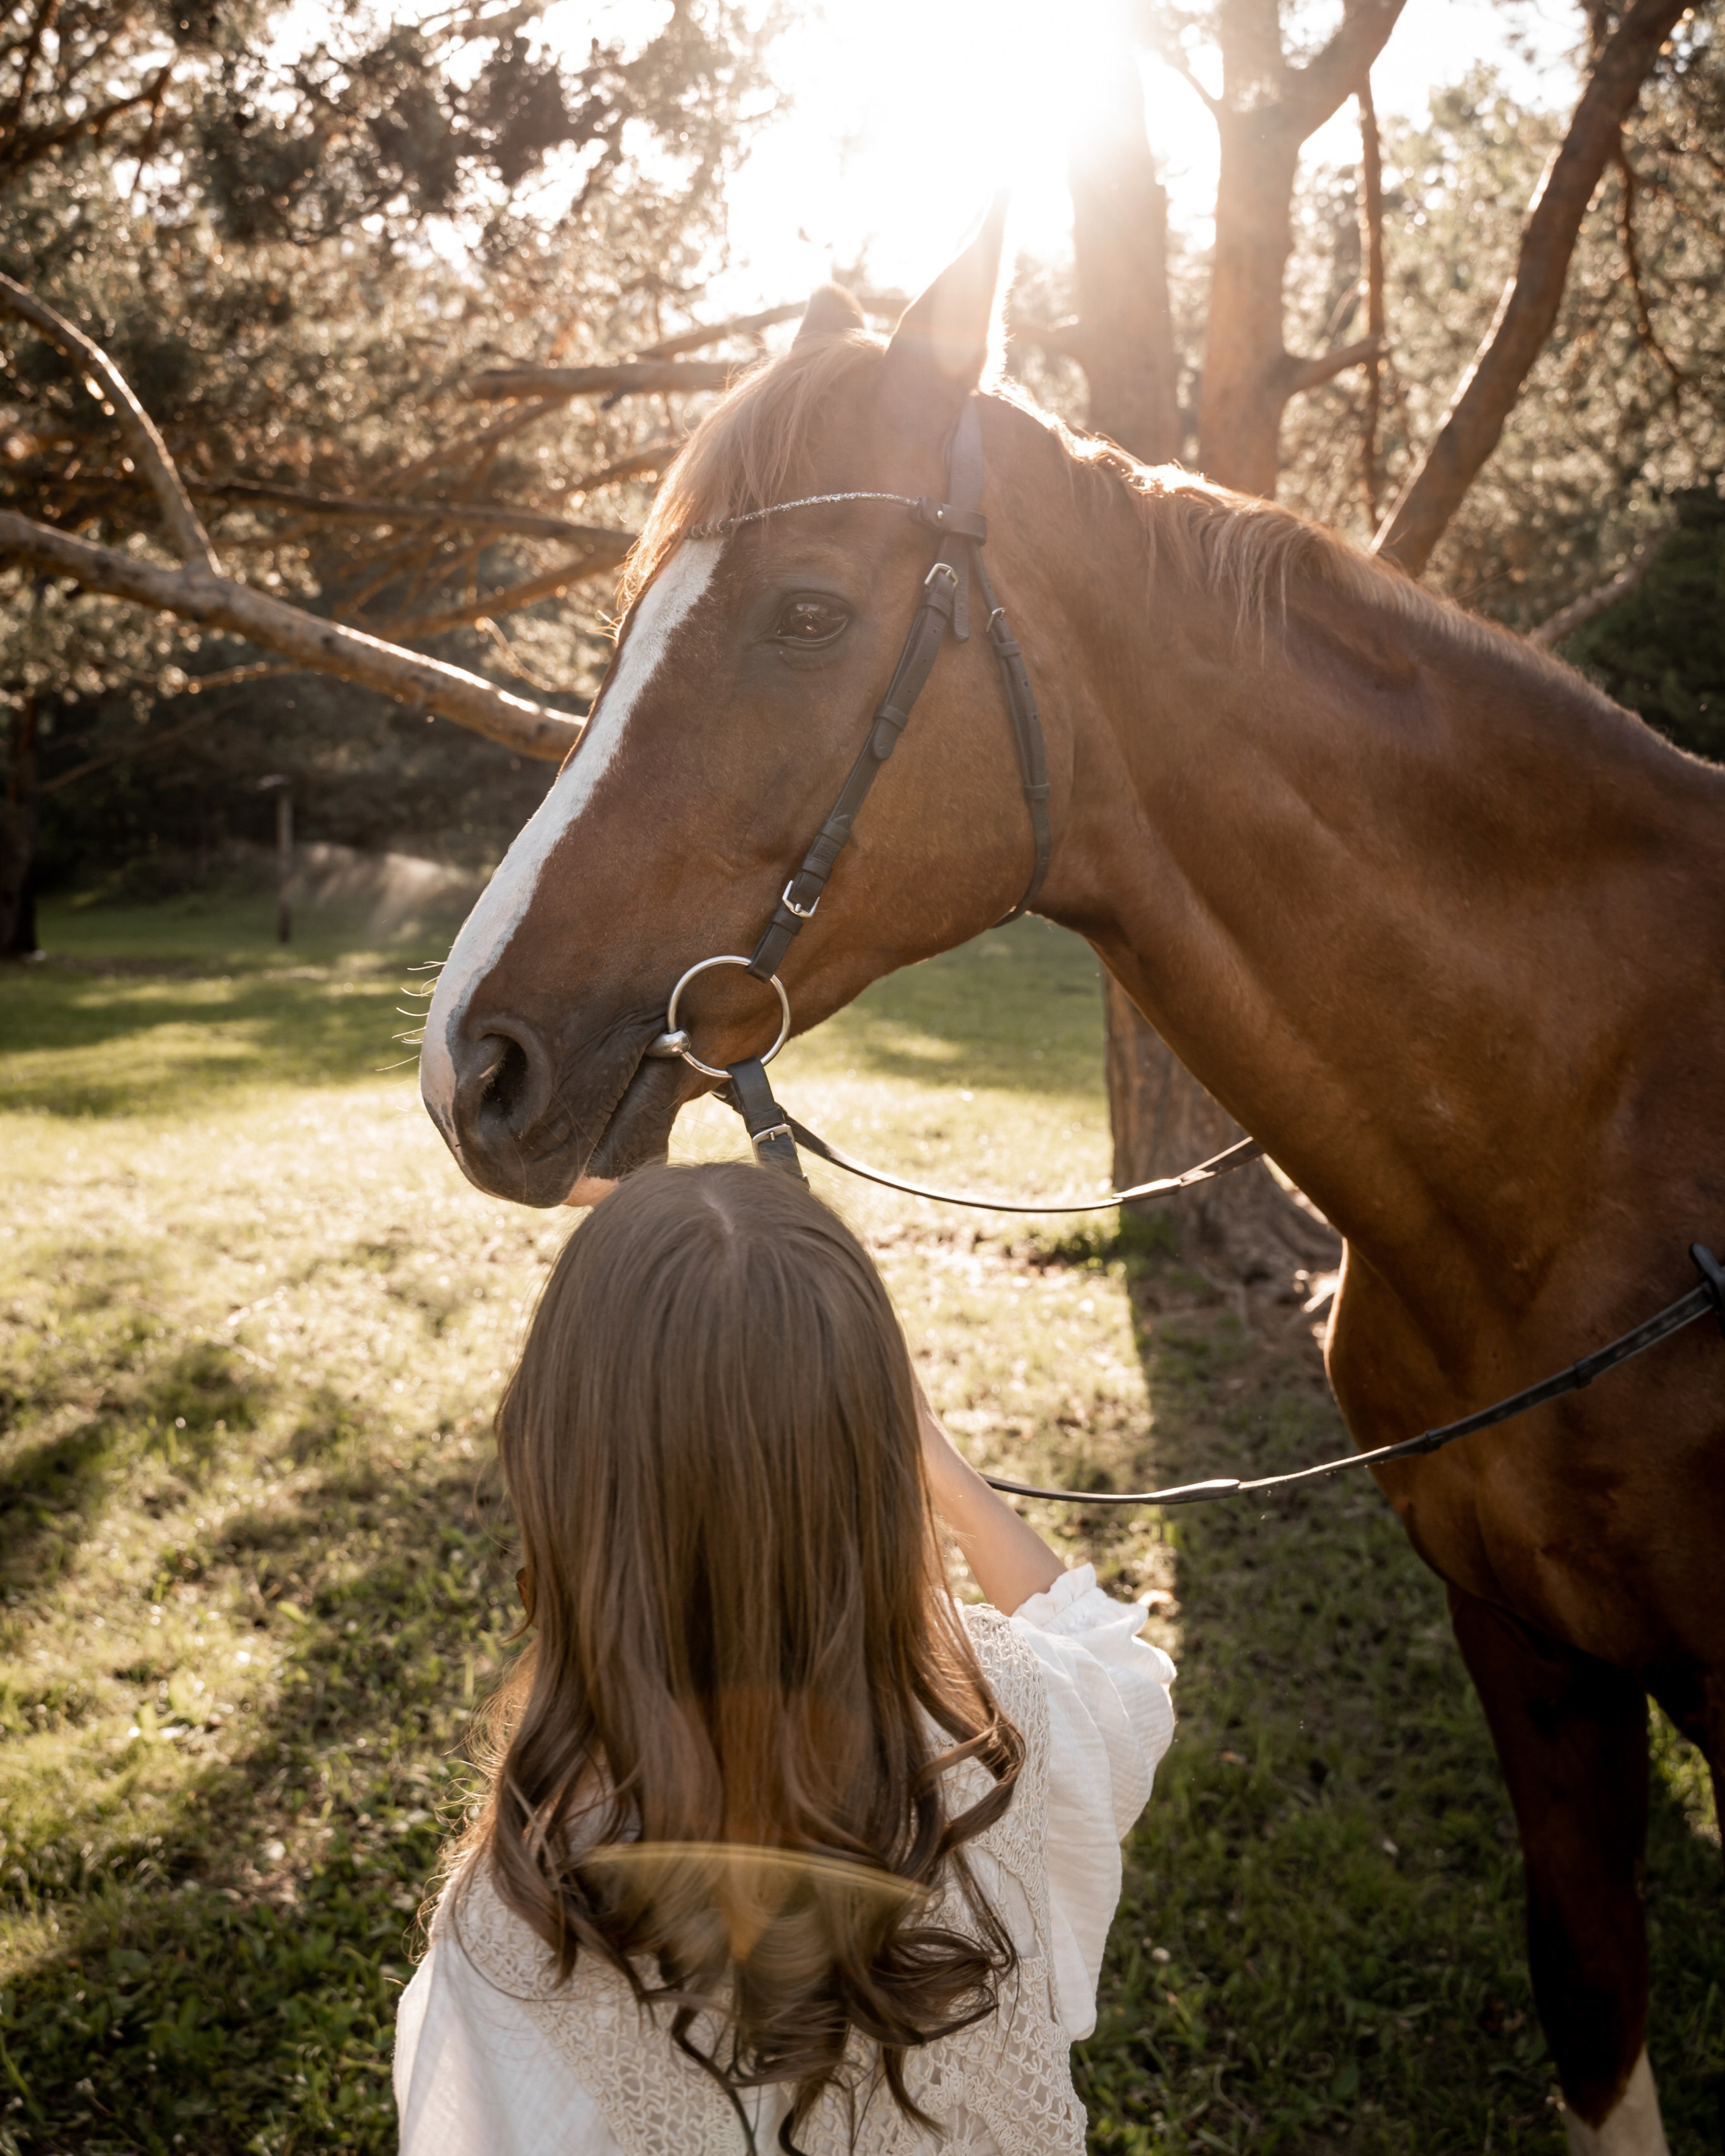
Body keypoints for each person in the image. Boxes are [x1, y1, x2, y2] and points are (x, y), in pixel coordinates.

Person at [394, 1162, 1174, 2155]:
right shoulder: (998, 1721)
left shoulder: (524, 1934)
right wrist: (940, 1459)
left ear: (558, 1463)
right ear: (876, 1448)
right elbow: (1118, 1666)